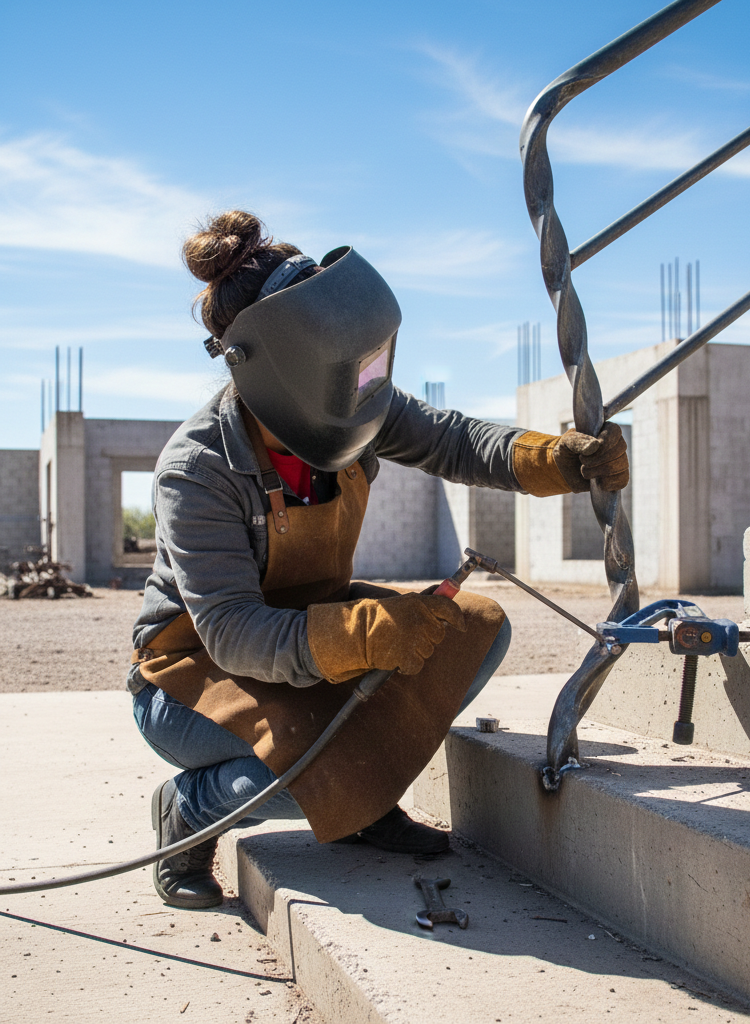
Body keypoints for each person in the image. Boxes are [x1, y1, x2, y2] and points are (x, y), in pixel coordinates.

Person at [128, 211, 629, 909]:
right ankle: (189, 810)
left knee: (470, 631)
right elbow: (235, 632)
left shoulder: (344, 406)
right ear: (276, 361)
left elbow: (453, 440)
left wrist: (556, 460)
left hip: (304, 638)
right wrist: (366, 632)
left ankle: (364, 803)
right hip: (191, 673)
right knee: (292, 769)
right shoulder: (199, 469)